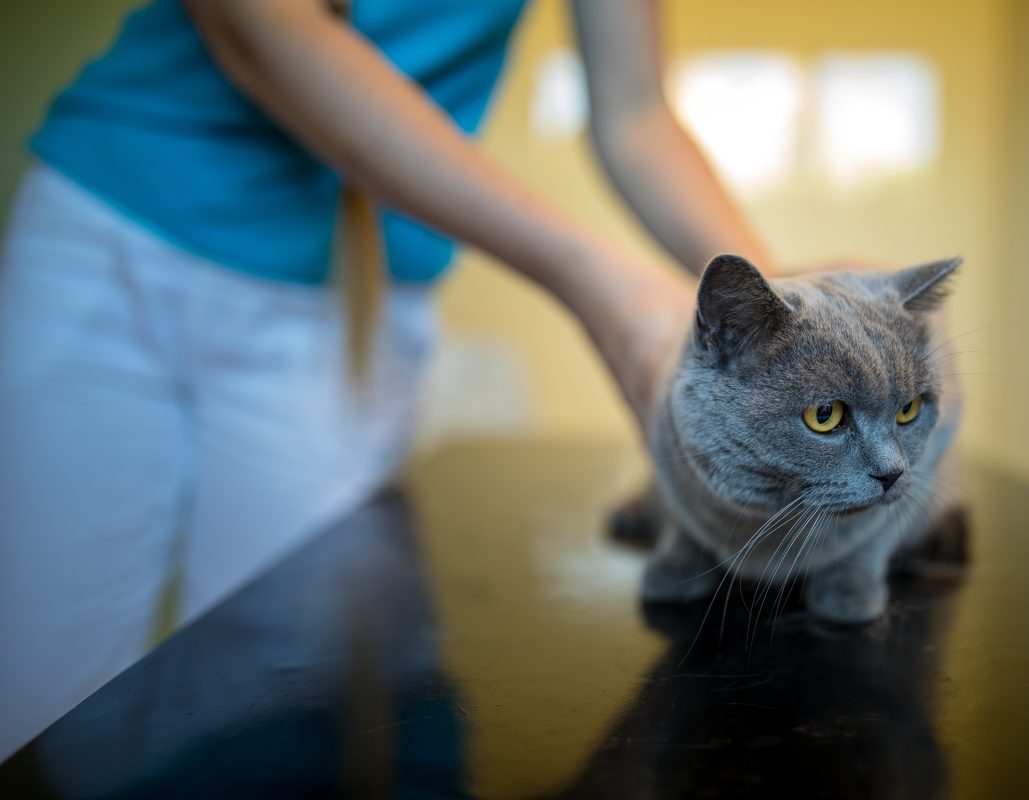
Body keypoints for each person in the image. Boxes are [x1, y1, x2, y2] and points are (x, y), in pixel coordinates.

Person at [0, 0, 775, 759]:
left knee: (281, 719)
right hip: (113, 233)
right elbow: (262, 27)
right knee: (38, 700)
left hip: (353, 293)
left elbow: (635, 112)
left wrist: (791, 313)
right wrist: (598, 282)